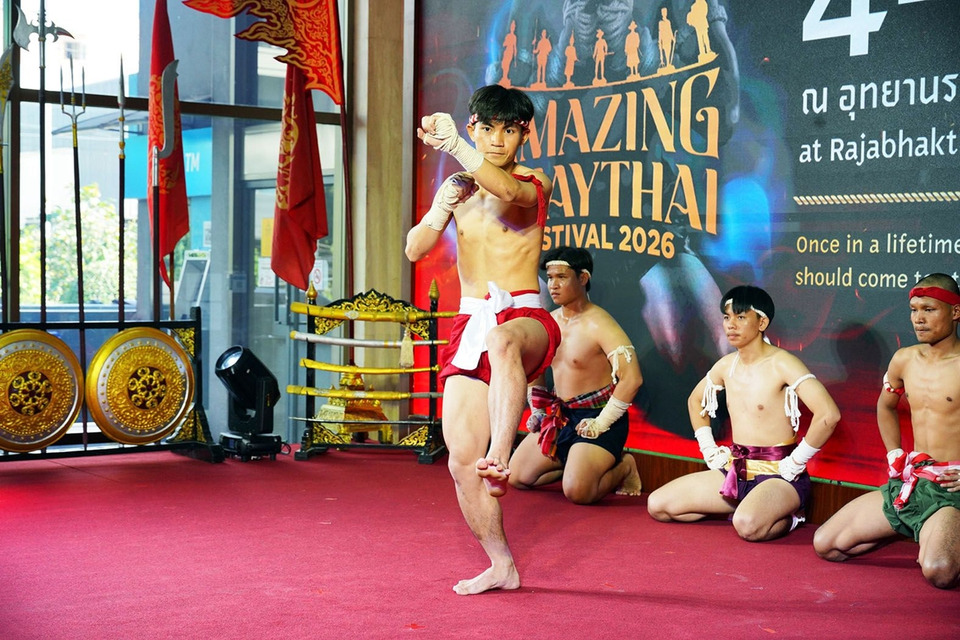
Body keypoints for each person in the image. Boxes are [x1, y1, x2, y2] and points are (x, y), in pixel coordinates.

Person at [406, 85, 560, 595]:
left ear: (523, 135)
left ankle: (501, 456)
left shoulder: (534, 180)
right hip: (471, 321)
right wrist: (440, 207)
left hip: (524, 316)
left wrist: (455, 147)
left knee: (501, 340)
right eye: (488, 128)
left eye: (509, 130)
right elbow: (415, 250)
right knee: (458, 460)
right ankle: (501, 565)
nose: (498, 140)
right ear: (474, 127)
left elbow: (509, 193)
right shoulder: (459, 186)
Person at [646, 285, 840, 541]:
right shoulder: (726, 365)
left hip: (780, 475)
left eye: (740, 317)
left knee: (747, 526)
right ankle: (746, 506)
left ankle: (790, 516)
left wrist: (796, 462)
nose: (731, 325)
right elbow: (696, 401)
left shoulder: (783, 363)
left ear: (762, 322)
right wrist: (709, 450)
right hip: (735, 470)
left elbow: (828, 415)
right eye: (727, 317)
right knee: (658, 505)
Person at [813, 274, 960, 589]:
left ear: (955, 312)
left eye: (929, 309)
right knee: (826, 544)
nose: (918, 319)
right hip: (912, 482)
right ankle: (909, 525)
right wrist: (894, 452)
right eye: (914, 310)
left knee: (939, 571)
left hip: (952, 491)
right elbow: (885, 406)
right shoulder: (904, 359)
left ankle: (941, 534)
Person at [509, 246, 643, 504]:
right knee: (517, 476)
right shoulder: (549, 322)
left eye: (561, 277)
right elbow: (535, 368)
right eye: (550, 277)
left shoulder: (600, 323)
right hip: (560, 418)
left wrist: (601, 423)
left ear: (583, 278)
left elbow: (632, 378)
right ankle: (575, 465)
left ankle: (625, 466)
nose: (553, 285)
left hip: (598, 416)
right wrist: (538, 411)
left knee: (578, 493)